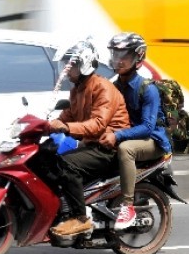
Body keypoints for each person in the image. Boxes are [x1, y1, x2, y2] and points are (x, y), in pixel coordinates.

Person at [49, 39, 130, 236]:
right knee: (46, 155)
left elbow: (98, 125)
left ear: (85, 64)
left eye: (72, 65)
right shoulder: (77, 90)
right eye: (66, 65)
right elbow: (66, 117)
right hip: (92, 145)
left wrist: (66, 127)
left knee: (66, 164)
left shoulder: (102, 87)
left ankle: (79, 218)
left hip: (108, 148)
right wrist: (41, 126)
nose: (67, 70)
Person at [100, 32, 172, 230]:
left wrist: (117, 135)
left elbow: (147, 128)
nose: (119, 60)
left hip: (153, 142)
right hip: (130, 136)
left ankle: (127, 206)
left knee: (126, 149)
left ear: (138, 57)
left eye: (125, 56)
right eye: (116, 55)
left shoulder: (147, 89)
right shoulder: (114, 86)